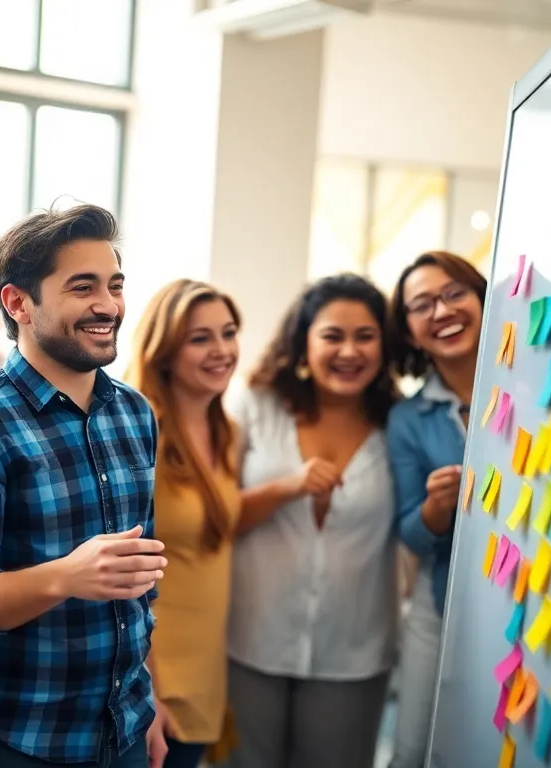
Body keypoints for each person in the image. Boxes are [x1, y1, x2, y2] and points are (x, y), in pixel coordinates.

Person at [0, 204, 168, 768]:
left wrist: (149, 700)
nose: (108, 305)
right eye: (83, 287)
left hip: (124, 729)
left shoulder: (134, 412)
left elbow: (140, 585)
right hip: (13, 739)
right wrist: (65, 577)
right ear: (18, 303)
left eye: (115, 285)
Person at [227, 274, 402, 768]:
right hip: (251, 638)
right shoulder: (256, 405)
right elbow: (218, 519)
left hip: (356, 649)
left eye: (365, 336)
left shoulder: (400, 425)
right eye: (332, 335)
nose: (349, 351)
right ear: (303, 341)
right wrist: (288, 486)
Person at [126, 280, 243, 768]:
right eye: (200, 338)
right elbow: (126, 571)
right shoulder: (140, 431)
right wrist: (148, 686)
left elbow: (215, 524)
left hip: (206, 675)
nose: (221, 350)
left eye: (229, 332)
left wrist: (292, 489)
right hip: (156, 680)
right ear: (165, 352)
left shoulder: (228, 432)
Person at [386, 251, 487, 768]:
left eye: (454, 293)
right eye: (422, 304)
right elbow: (410, 534)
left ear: (480, 296)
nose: (442, 311)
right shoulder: (408, 418)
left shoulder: (536, 387)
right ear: (409, 330)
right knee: (412, 752)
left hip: (528, 599)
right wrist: (435, 509)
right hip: (441, 602)